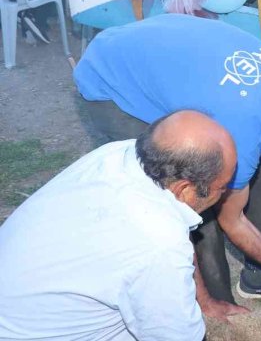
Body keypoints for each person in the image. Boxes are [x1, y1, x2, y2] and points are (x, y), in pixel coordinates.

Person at [74, 14, 261, 316]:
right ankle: (209, 303)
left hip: (167, 47)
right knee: (193, 201)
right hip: (111, 78)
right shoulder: (241, 127)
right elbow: (231, 220)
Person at [0, 111, 238, 340]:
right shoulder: (158, 243)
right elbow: (177, 336)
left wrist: (203, 301)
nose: (226, 191)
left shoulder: (120, 154)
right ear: (184, 189)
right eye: (222, 186)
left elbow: (177, 219)